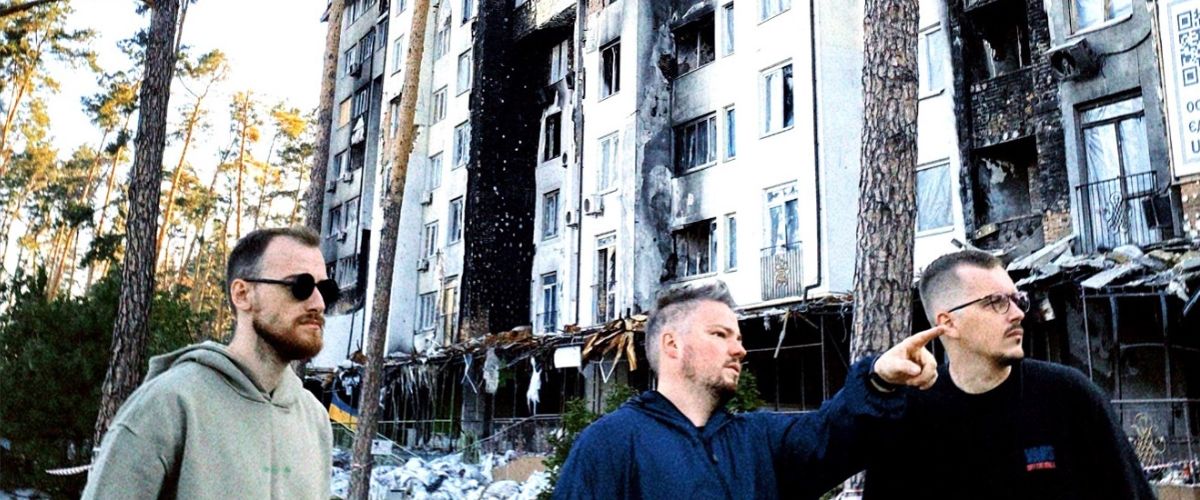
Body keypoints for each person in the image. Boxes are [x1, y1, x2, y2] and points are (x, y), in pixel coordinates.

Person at [553, 280, 945, 499]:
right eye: (720, 334)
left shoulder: (760, 442)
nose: (740, 349)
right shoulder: (610, 445)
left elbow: (835, 434)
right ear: (672, 345)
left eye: (738, 337)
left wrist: (879, 379)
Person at [864, 249, 1154, 499]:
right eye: (996, 302)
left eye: (1017, 300)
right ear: (948, 322)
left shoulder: (1069, 398)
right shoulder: (909, 417)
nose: (1017, 313)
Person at [83, 227, 338, 499]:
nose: (319, 303)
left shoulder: (314, 418)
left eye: (325, 289)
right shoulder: (169, 403)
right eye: (301, 286)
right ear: (242, 294)